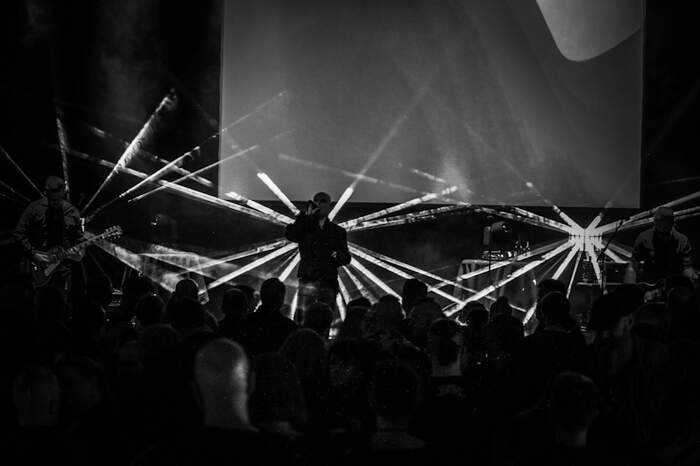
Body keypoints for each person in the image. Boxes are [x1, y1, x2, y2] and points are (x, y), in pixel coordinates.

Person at [14, 176, 84, 301]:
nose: (55, 203)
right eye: (52, 200)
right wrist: (33, 254)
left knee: (59, 307)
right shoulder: (34, 208)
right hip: (36, 271)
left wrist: (79, 254)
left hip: (62, 272)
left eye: (58, 199)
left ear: (64, 192)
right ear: (46, 194)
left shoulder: (73, 212)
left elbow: (79, 241)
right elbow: (19, 234)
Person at [285, 192, 351, 315]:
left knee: (324, 317)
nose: (318, 204)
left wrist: (335, 254)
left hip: (327, 280)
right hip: (307, 279)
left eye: (323, 201)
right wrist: (305, 216)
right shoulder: (305, 225)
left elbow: (346, 258)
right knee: (303, 319)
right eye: (316, 200)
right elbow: (292, 235)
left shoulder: (337, 231)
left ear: (329, 206)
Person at [633, 206, 693, 283]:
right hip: (650, 286)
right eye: (658, 227)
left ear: (672, 224)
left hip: (673, 286)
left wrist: (691, 279)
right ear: (654, 223)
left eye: (665, 228)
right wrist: (630, 288)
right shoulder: (644, 238)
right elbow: (634, 265)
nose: (661, 231)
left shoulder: (682, 240)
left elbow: (686, 267)